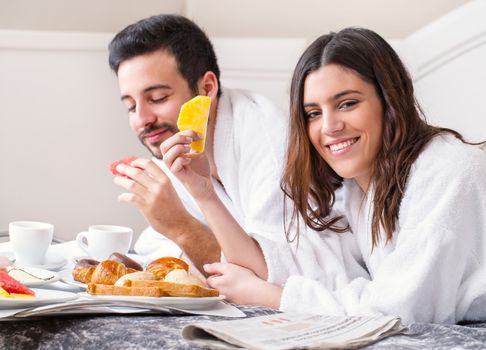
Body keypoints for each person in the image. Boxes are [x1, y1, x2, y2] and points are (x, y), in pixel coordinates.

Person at [203, 27, 486, 324]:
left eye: (347, 103)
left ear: (389, 99)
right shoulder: (358, 185)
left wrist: (272, 298)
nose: (329, 127)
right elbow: (312, 271)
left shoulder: (447, 174)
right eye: (313, 113)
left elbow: (398, 311)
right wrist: (201, 188)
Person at [108, 14, 364, 289]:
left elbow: (274, 277)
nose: (142, 119)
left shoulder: (267, 139)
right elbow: (157, 249)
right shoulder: (177, 146)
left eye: (157, 99)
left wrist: (180, 227)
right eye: (131, 106)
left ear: (206, 88)